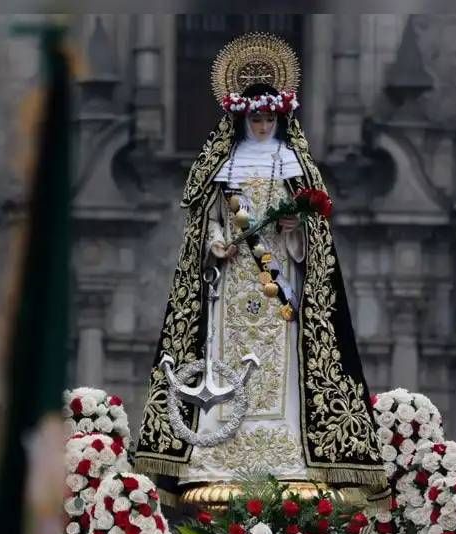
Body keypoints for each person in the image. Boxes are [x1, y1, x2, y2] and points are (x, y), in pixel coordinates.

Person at [132, 32, 389, 505]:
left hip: (282, 289)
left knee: (284, 361)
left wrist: (295, 229)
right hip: (229, 288)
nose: (264, 125)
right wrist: (216, 247)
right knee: (224, 358)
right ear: (241, 118)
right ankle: (218, 452)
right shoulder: (222, 168)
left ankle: (287, 450)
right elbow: (205, 229)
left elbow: (315, 244)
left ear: (281, 117)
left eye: (271, 117)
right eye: (256, 117)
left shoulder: (296, 165)